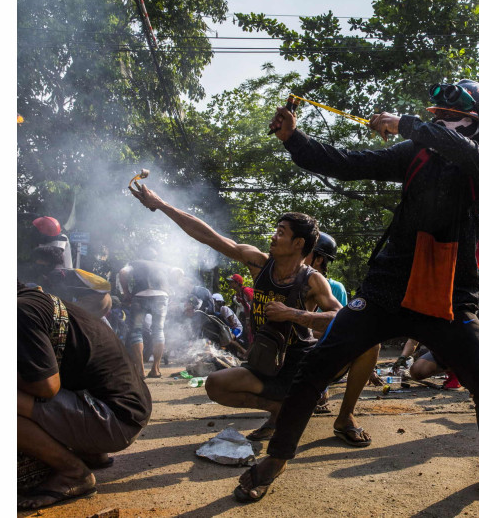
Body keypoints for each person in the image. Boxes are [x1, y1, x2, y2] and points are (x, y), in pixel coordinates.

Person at [234, 78, 479, 503]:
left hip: (448, 295)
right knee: (318, 366)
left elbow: (457, 149)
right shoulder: (416, 152)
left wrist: (405, 123)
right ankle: (275, 458)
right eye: (433, 117)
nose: (434, 123)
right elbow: (348, 162)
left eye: (445, 118)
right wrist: (295, 139)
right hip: (387, 286)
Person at [129, 187, 379, 449]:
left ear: (298, 244)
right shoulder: (258, 263)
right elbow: (209, 237)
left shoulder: (313, 280)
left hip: (305, 365)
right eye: (276, 230)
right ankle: (278, 409)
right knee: (216, 385)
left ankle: (345, 417)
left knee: (370, 344)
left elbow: (341, 316)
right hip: (267, 363)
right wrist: (161, 204)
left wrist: (292, 314)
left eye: (281, 233)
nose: (273, 237)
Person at [17, 287, 152, 510]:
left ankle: (73, 473)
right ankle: (92, 453)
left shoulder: (21, 311)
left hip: (115, 421)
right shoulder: (37, 300)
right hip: (128, 412)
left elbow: (47, 388)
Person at [304, 232, 383, 412]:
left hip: (320, 353)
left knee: (366, 342)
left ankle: (345, 413)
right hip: (294, 354)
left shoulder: (333, 288)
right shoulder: (285, 282)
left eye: (304, 251)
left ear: (318, 260)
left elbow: (342, 329)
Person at [118, 248, 174, 378]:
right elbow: (179, 272)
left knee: (136, 331)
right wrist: (170, 288)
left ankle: (141, 370)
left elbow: (122, 272)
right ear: (155, 257)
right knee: (158, 330)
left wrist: (126, 292)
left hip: (140, 296)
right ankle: (155, 369)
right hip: (161, 296)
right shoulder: (164, 265)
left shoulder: (135, 263)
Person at [391, 339, 463, 390]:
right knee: (417, 371)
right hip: (439, 350)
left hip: (462, 348)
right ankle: (450, 372)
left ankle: (459, 375)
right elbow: (413, 341)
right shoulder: (421, 319)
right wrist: (402, 357)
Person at [228, 273, 255, 345]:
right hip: (249, 316)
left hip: (255, 315)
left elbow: (253, 304)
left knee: (252, 333)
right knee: (248, 333)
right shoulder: (238, 294)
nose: (229, 283)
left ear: (237, 283)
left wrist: (250, 319)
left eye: (231, 281)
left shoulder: (246, 291)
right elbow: (246, 307)